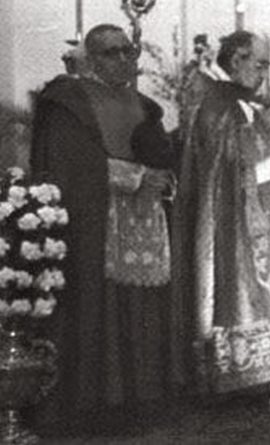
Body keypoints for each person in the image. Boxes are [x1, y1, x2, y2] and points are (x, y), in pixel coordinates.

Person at [30, 23, 184, 425]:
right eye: (109, 52)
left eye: (127, 51)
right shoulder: (68, 101)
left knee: (142, 309)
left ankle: (142, 399)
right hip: (95, 221)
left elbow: (160, 155)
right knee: (102, 307)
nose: (121, 59)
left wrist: (163, 178)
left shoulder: (144, 104)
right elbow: (72, 161)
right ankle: (97, 403)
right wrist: (136, 178)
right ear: (91, 59)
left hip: (146, 219)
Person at [172, 30, 270, 394]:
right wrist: (265, 134)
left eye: (267, 66)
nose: (264, 73)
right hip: (233, 223)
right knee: (240, 289)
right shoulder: (216, 104)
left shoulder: (247, 102)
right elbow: (226, 162)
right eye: (260, 64)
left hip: (266, 213)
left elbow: (267, 156)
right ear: (236, 59)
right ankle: (240, 370)